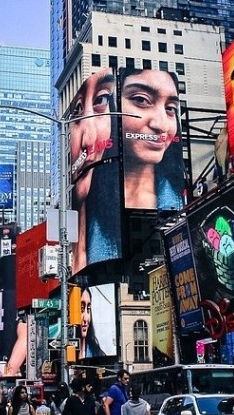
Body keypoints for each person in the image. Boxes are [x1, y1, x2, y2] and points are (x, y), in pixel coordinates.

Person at [68, 67, 120, 273]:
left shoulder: (108, 244)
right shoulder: (67, 252)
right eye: (78, 109)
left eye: (101, 100)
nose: (88, 139)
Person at [120, 68, 184, 211]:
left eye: (170, 108)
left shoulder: (179, 201)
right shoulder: (89, 201)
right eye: (141, 100)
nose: (161, 125)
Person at [78, 288, 106, 359]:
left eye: (88, 309)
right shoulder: (60, 355)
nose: (86, 318)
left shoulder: (99, 353)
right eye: (81, 309)